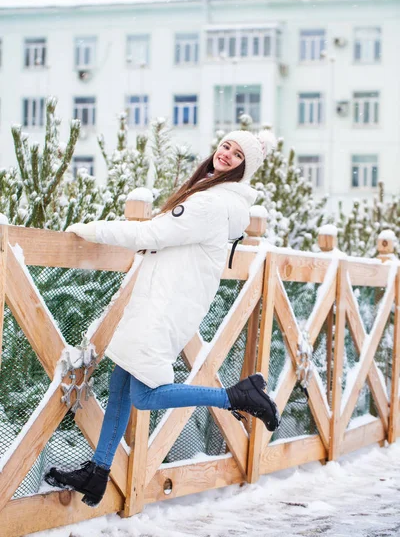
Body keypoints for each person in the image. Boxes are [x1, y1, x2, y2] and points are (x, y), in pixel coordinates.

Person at [45, 130, 280, 507]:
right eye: (225, 146)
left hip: (163, 306)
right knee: (122, 383)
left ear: (242, 169)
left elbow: (153, 232)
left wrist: (91, 231)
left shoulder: (210, 204)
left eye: (237, 155)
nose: (226, 155)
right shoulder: (214, 197)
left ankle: (237, 396)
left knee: (144, 394)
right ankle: (98, 472)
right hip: (163, 300)